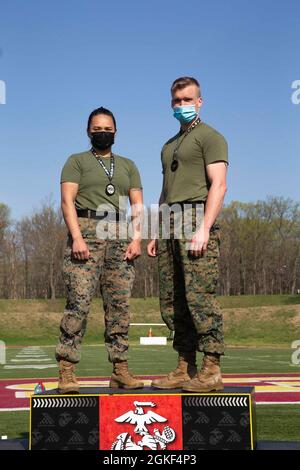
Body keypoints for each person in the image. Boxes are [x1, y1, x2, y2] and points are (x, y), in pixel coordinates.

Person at [148, 77, 228, 392]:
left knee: (199, 296)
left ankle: (211, 368)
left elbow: (219, 185)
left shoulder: (212, 137)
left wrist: (205, 228)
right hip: (168, 223)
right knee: (172, 299)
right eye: (176, 101)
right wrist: (156, 231)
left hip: (196, 216)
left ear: (200, 102)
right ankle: (184, 366)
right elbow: (165, 191)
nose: (182, 105)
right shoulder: (168, 146)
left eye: (187, 100)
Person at [56, 106, 144, 392]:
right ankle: (67, 370)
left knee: (119, 306)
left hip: (120, 235)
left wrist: (137, 238)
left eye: (107, 129)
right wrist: (77, 237)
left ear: (115, 131)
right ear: (88, 131)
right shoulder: (76, 161)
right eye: (97, 129)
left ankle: (120, 369)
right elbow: (67, 201)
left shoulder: (128, 165)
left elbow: (137, 205)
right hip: (87, 232)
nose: (102, 133)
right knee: (79, 303)